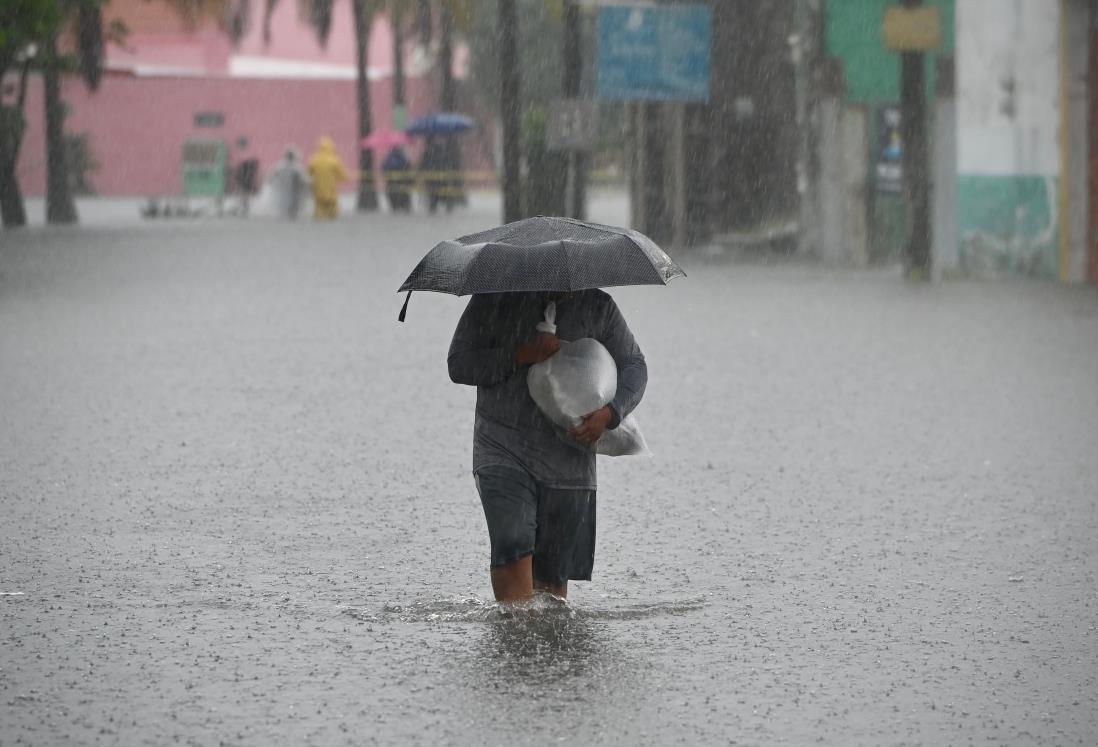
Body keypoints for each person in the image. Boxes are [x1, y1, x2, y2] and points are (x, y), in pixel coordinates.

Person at [447, 290, 647, 603]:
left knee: (552, 587)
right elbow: (459, 364)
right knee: (512, 541)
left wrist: (611, 413)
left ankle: (543, 648)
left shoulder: (599, 306)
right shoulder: (495, 298)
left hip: (570, 461)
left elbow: (634, 366)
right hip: (503, 447)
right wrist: (521, 353)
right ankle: (513, 641)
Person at [307, 136, 351, 220]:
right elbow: (342, 175)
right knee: (332, 213)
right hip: (331, 191)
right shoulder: (334, 160)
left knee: (320, 213)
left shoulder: (314, 160)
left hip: (318, 190)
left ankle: (319, 228)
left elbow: (308, 173)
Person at [266, 148, 309, 220]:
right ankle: (291, 216)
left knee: (286, 203)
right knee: (291, 204)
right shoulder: (296, 166)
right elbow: (303, 178)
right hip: (291, 189)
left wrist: (270, 180)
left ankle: (288, 215)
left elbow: (272, 174)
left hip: (288, 188)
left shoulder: (282, 165)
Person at [418, 135, 448, 213]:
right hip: (439, 175)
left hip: (430, 176)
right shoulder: (441, 150)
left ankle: (433, 205)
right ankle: (437, 203)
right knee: (438, 191)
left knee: (432, 191)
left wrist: (421, 171)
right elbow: (444, 163)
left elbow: (423, 164)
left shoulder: (428, 152)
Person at [381, 147, 413, 213]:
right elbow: (408, 165)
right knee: (403, 193)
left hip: (391, 181)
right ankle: (404, 206)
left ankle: (395, 206)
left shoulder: (389, 157)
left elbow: (383, 167)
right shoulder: (402, 157)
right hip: (402, 180)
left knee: (392, 193)